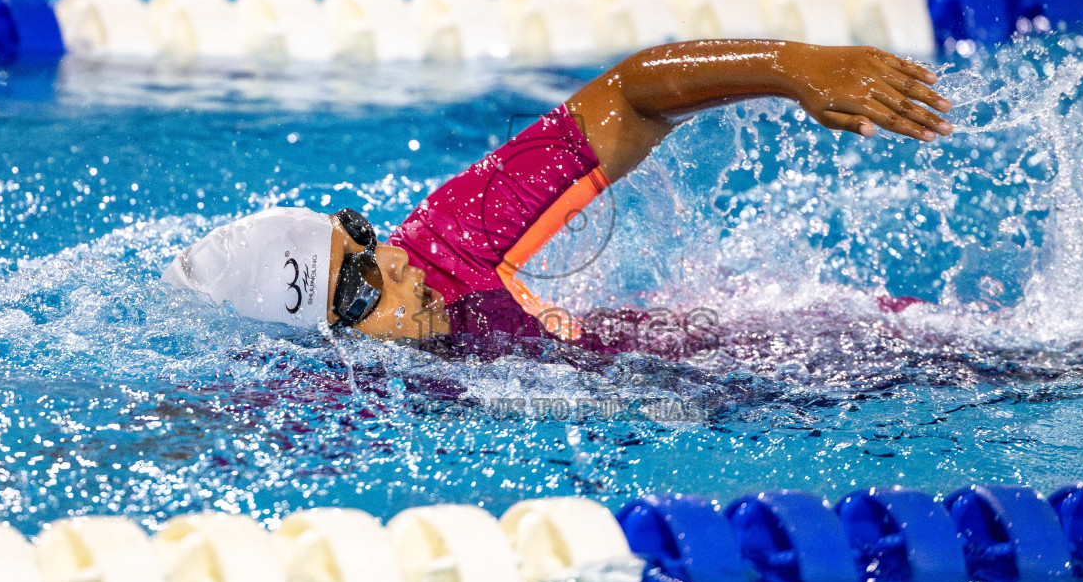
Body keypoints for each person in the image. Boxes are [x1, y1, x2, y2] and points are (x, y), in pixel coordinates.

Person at [164, 39, 951, 353]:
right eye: (360, 285)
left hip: (777, 353)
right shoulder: (339, 404)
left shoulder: (449, 239)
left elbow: (628, 100)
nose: (395, 266)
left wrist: (789, 65)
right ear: (323, 336)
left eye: (363, 238)